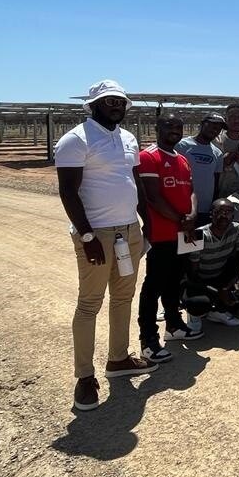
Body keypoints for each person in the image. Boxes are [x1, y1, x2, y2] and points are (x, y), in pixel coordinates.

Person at [55, 79, 154, 412]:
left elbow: (135, 182)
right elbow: (68, 191)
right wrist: (86, 236)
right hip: (96, 233)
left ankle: (119, 358)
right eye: (110, 101)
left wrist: (146, 222)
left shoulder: (127, 138)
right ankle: (84, 378)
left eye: (120, 102)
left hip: (129, 231)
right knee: (89, 303)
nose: (116, 106)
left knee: (124, 296)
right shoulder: (75, 140)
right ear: (94, 104)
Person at [138, 114, 202, 364]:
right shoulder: (148, 157)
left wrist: (193, 214)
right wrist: (180, 219)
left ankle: (174, 325)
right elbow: (152, 197)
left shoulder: (183, 159)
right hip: (162, 233)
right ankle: (148, 340)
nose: (175, 131)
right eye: (169, 126)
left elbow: (192, 190)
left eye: (179, 127)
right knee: (153, 285)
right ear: (157, 128)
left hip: (182, 232)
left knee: (174, 281)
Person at [186, 199, 239, 327]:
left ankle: (217, 309)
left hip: (219, 275)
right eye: (219, 212)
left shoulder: (236, 229)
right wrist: (217, 293)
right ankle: (196, 313)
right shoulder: (200, 235)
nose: (224, 216)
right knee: (198, 303)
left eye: (228, 212)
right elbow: (193, 275)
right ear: (211, 214)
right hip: (200, 281)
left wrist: (235, 281)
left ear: (233, 215)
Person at [175, 114, 224, 225]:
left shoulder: (217, 153)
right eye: (212, 125)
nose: (215, 130)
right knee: (180, 239)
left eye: (219, 128)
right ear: (202, 124)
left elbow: (215, 182)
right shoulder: (181, 146)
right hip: (182, 206)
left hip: (205, 208)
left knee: (198, 240)